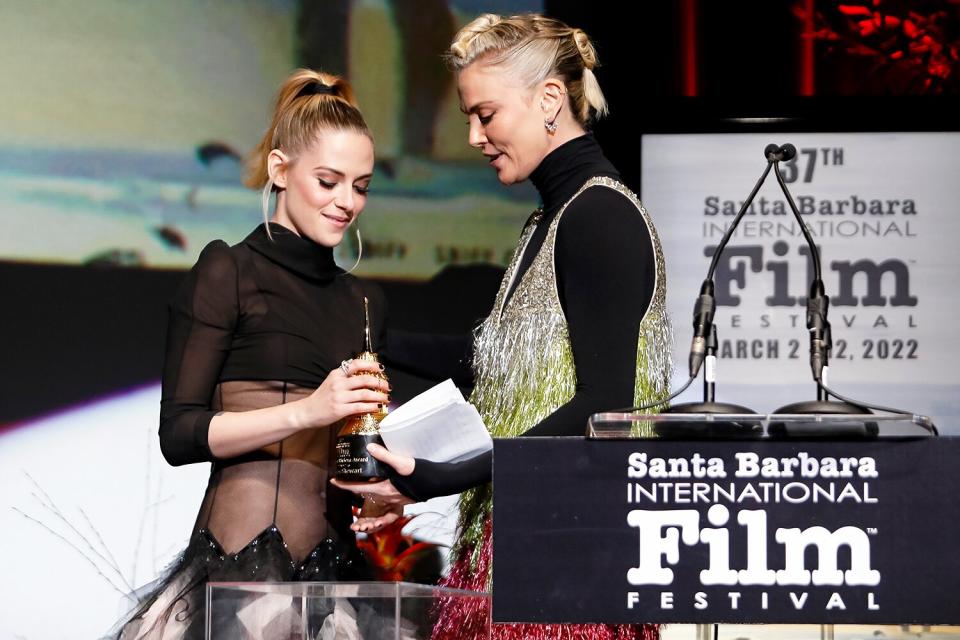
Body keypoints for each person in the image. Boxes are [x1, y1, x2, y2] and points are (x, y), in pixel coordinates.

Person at [334, 13, 671, 640]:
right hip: (517, 538)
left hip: (570, 553)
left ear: (548, 101)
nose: (472, 136)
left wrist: (445, 477)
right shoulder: (549, 220)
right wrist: (372, 344)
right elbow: (498, 361)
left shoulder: (599, 217)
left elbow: (606, 408)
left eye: (485, 115)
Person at [114, 69, 391, 639]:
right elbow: (180, 434)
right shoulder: (228, 272)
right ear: (280, 169)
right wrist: (308, 412)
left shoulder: (364, 301)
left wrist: (380, 491)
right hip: (236, 580)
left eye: (360, 186)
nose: (346, 203)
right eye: (329, 181)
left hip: (336, 587)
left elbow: (354, 453)